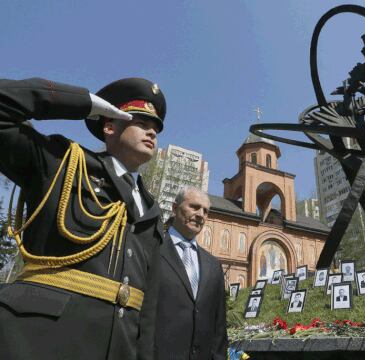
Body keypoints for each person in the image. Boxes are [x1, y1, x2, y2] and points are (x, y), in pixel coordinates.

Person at [0, 77, 166, 360]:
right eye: (141, 123)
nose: (152, 132)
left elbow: (147, 306)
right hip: (42, 340)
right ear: (110, 125)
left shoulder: (152, 210)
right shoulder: (63, 162)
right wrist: (83, 103)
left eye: (156, 128)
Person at [138, 186, 228, 360]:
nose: (201, 214)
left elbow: (219, 327)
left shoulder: (213, 265)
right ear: (174, 208)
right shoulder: (151, 249)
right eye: (194, 207)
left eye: (206, 211)